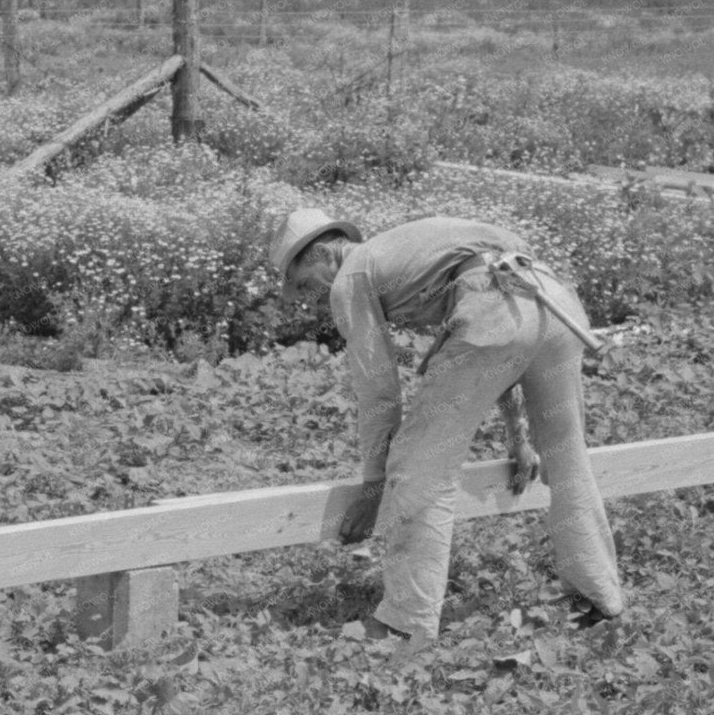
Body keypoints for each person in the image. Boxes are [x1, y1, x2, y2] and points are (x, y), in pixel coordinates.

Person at [268, 208, 626, 642]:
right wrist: (520, 438)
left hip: (498, 304)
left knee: (419, 464)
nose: (313, 294)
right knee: (567, 453)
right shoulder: (401, 251)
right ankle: (597, 595)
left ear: (323, 252)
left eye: (306, 281)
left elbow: (378, 388)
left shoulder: (350, 277)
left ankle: (405, 622)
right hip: (553, 303)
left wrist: (375, 483)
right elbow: (506, 338)